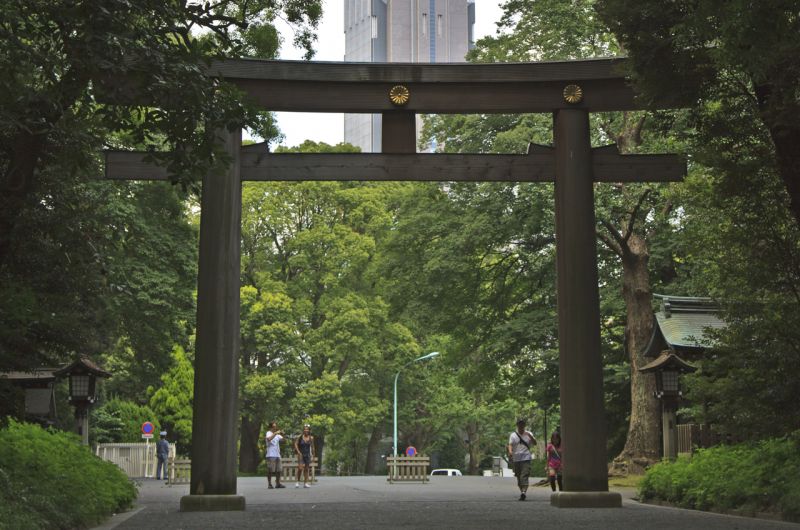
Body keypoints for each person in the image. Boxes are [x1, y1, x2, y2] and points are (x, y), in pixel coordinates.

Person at [507, 418, 536, 501]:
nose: (521, 425)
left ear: (524, 425)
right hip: (516, 459)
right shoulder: (513, 435)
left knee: (524, 475)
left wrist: (530, 436)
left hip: (526, 457)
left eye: (522, 424)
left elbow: (535, 443)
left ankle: (524, 492)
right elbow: (510, 445)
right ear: (517, 425)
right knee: (519, 477)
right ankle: (522, 492)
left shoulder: (529, 433)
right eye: (519, 424)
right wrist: (510, 452)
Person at [293, 424, 315, 488]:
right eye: (305, 429)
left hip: (307, 454)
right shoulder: (300, 437)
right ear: (303, 430)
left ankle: (305, 483)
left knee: (306, 469)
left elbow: (313, 447)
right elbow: (295, 444)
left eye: (307, 429)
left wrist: (313, 455)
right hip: (301, 454)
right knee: (300, 468)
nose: (306, 430)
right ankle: (297, 481)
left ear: (309, 430)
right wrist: (298, 452)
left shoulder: (311, 438)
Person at [265, 421, 286, 489]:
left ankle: (278, 483)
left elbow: (284, 441)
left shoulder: (277, 435)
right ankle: (269, 484)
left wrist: (283, 434)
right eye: (273, 426)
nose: (275, 428)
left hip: (277, 454)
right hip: (271, 454)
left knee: (279, 470)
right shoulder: (268, 433)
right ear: (270, 427)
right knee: (270, 470)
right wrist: (275, 433)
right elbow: (269, 439)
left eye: (275, 426)